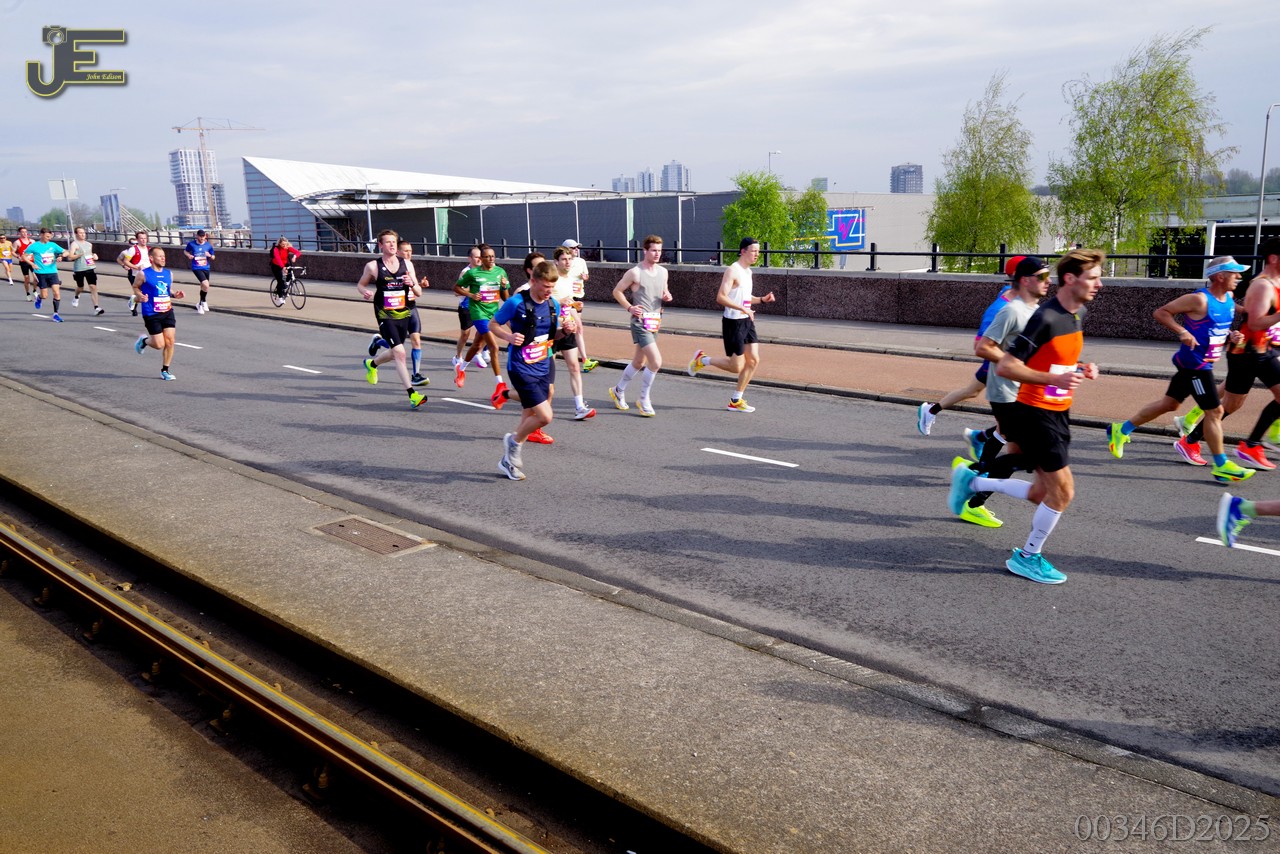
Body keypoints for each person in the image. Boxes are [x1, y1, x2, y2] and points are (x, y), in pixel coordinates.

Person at [948, 248, 1105, 584]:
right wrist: (1053, 380)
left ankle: (972, 481)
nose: (1099, 284)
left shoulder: (1077, 314)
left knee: (1039, 494)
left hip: (1059, 412)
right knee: (1063, 492)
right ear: (1070, 278)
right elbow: (1007, 366)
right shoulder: (1044, 318)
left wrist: (1080, 368)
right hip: (1035, 413)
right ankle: (1028, 557)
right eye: (1093, 278)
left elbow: (1053, 360)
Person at [1105, 257, 1253, 482]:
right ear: (1220, 276)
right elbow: (1161, 312)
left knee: (1169, 404)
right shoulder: (1198, 300)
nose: (1239, 277)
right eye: (1235, 273)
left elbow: (1216, 328)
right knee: (1215, 412)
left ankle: (1121, 430)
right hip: (1195, 365)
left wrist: (1232, 335)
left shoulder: (1229, 299)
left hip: (1200, 362)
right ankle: (1222, 464)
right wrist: (1182, 331)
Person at [953, 255, 1052, 527]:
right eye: (1043, 276)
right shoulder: (1011, 310)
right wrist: (1014, 364)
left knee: (1015, 448)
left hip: (1026, 390)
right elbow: (982, 347)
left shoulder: (1037, 311)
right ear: (1025, 280)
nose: (1049, 281)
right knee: (1030, 454)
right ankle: (972, 484)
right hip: (1007, 392)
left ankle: (974, 487)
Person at [1176, 241, 1280, 470]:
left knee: (1228, 405)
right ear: (1274, 258)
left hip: (1263, 349)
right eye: (1234, 274)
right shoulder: (1262, 285)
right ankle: (1197, 441)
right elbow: (1254, 322)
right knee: (1229, 405)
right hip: (1247, 351)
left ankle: (1247, 445)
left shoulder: (1275, 283)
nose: (1238, 278)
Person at [918, 256, 1026, 436]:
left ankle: (931, 410)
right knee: (1011, 419)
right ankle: (981, 440)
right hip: (998, 367)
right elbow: (980, 344)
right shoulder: (1000, 307)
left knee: (972, 392)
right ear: (1018, 275)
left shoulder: (1019, 300)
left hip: (1005, 366)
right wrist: (1011, 360)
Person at [490, 260, 576, 480]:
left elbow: (551, 336)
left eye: (552, 287)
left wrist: (565, 331)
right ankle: (513, 442)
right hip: (520, 366)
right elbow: (493, 324)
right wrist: (509, 337)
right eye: (545, 286)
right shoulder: (516, 302)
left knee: (528, 416)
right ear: (533, 281)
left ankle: (509, 462)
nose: (549, 291)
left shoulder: (553, 304)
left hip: (543, 363)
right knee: (545, 416)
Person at [687, 237, 776, 412]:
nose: (757, 254)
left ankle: (736, 400)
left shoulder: (748, 272)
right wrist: (742, 308)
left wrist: (762, 300)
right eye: (754, 251)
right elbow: (721, 297)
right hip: (733, 322)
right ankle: (702, 360)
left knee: (754, 360)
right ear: (743, 251)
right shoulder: (732, 271)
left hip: (746, 320)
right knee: (736, 366)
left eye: (758, 251)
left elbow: (745, 297)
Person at [356, 230, 427, 409]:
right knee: (400, 353)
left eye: (394, 242)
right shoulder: (373, 266)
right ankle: (413, 395)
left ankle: (372, 364)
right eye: (388, 242)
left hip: (403, 313)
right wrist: (364, 291)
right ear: (380, 245)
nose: (392, 245)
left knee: (395, 351)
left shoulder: (407, 264)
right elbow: (360, 284)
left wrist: (412, 284)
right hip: (384, 314)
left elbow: (419, 292)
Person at [610, 234, 672, 417]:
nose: (657, 254)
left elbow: (664, 290)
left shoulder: (663, 272)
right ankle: (644, 400)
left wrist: (667, 295)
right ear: (645, 251)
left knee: (639, 362)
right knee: (656, 361)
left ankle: (618, 390)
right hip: (640, 322)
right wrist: (630, 307)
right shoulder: (635, 272)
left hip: (655, 321)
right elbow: (617, 291)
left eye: (659, 250)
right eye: (653, 250)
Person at [453, 243, 509, 396]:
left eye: (493, 256)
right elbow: (456, 288)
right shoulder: (473, 273)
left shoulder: (500, 272)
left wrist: (504, 287)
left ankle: (461, 369)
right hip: (478, 313)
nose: (491, 259)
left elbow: (505, 298)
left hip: (493, 313)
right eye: (487, 257)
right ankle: (500, 385)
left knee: (477, 344)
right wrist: (471, 295)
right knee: (494, 347)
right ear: (481, 259)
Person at [130, 246, 184, 381]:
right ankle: (144, 341)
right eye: (160, 256)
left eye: (164, 256)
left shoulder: (169, 273)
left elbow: (167, 289)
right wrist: (140, 295)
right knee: (159, 345)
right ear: (151, 258)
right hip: (151, 312)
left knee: (170, 341)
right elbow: (135, 287)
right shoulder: (143, 274)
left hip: (167, 310)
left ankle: (165, 370)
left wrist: (175, 294)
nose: (163, 258)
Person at [560, 239, 598, 372]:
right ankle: (584, 360)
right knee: (578, 328)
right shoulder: (562, 264)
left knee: (574, 329)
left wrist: (584, 277)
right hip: (567, 299)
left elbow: (586, 276)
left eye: (577, 247)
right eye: (573, 247)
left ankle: (573, 357)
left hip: (578, 297)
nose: (576, 249)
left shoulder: (581, 261)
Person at [453, 246, 489, 372]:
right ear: (470, 258)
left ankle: (478, 353)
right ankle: (458, 357)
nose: (479, 259)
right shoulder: (465, 272)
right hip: (467, 306)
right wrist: (472, 292)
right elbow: (457, 291)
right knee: (465, 335)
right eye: (476, 257)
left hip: (481, 307)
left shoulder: (485, 270)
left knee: (486, 331)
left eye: (481, 257)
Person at [23, 227, 68, 322]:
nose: (49, 238)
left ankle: (56, 314)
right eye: (47, 236)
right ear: (42, 235)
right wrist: (32, 264)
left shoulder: (53, 245)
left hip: (53, 272)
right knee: (44, 296)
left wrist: (61, 256)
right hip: (41, 273)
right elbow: (24, 256)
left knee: (56, 292)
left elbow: (65, 252)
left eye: (50, 236)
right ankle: (39, 298)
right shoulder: (34, 246)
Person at [66, 226, 104, 315]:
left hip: (90, 267)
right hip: (79, 268)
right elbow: (70, 257)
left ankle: (96, 307)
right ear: (76, 234)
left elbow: (89, 254)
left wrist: (94, 256)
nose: (83, 234)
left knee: (93, 287)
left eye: (84, 233)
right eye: (80, 233)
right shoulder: (74, 244)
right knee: (80, 287)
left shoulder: (89, 244)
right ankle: (76, 296)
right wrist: (78, 255)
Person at [183, 229, 217, 314]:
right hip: (196, 267)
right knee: (206, 284)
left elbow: (213, 257)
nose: (202, 238)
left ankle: (200, 304)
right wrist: (189, 255)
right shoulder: (192, 244)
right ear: (197, 236)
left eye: (203, 236)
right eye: (200, 236)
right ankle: (203, 302)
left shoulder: (208, 245)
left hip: (206, 267)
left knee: (204, 287)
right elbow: (185, 251)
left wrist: (209, 255)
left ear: (205, 236)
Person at [119, 230, 149, 316]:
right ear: (137, 239)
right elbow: (126, 261)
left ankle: (137, 302)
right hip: (136, 275)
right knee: (140, 293)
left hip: (147, 275)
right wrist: (137, 267)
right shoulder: (133, 249)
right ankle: (134, 302)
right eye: (141, 238)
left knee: (148, 293)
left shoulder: (149, 249)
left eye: (145, 238)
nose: (143, 240)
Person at [270, 237, 301, 305]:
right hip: (276, 265)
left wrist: (294, 257)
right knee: (280, 281)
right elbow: (278, 259)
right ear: (279, 244)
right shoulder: (276, 249)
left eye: (285, 244)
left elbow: (298, 252)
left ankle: (285, 285)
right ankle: (280, 297)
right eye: (282, 244)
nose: (284, 246)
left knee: (290, 274)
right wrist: (283, 268)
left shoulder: (287, 247)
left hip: (284, 263)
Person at [14, 226, 36, 299]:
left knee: (36, 277)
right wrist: (18, 256)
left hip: (32, 261)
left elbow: (36, 250)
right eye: (22, 232)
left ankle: (35, 290)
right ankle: (28, 293)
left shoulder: (32, 241)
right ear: (19, 233)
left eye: (25, 232)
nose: (24, 233)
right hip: (24, 262)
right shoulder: (17, 242)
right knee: (27, 279)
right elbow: (13, 252)